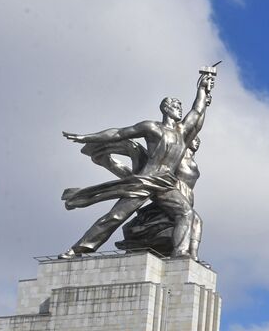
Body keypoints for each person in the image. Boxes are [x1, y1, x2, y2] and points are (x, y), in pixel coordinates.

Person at [61, 67, 216, 258]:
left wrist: (203, 89)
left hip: (166, 184)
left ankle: (181, 253)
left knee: (186, 213)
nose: (179, 109)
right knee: (116, 216)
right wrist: (88, 137)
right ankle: (76, 249)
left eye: (180, 107)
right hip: (146, 179)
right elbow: (119, 132)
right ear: (166, 108)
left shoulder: (182, 134)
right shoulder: (152, 128)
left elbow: (198, 111)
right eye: (175, 106)